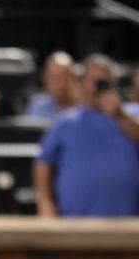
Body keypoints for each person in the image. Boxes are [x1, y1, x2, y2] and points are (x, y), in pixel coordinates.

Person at [34, 54, 139, 217]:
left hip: (128, 227)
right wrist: (46, 203)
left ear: (114, 84)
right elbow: (43, 164)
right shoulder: (65, 122)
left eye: (104, 81)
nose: (98, 87)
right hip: (76, 225)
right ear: (82, 84)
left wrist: (119, 115)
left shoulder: (132, 114)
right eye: (93, 81)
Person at [25, 51, 78, 121]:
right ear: (44, 78)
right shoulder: (37, 106)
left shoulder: (86, 106)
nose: (59, 83)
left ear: (73, 78)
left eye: (64, 77)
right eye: (53, 77)